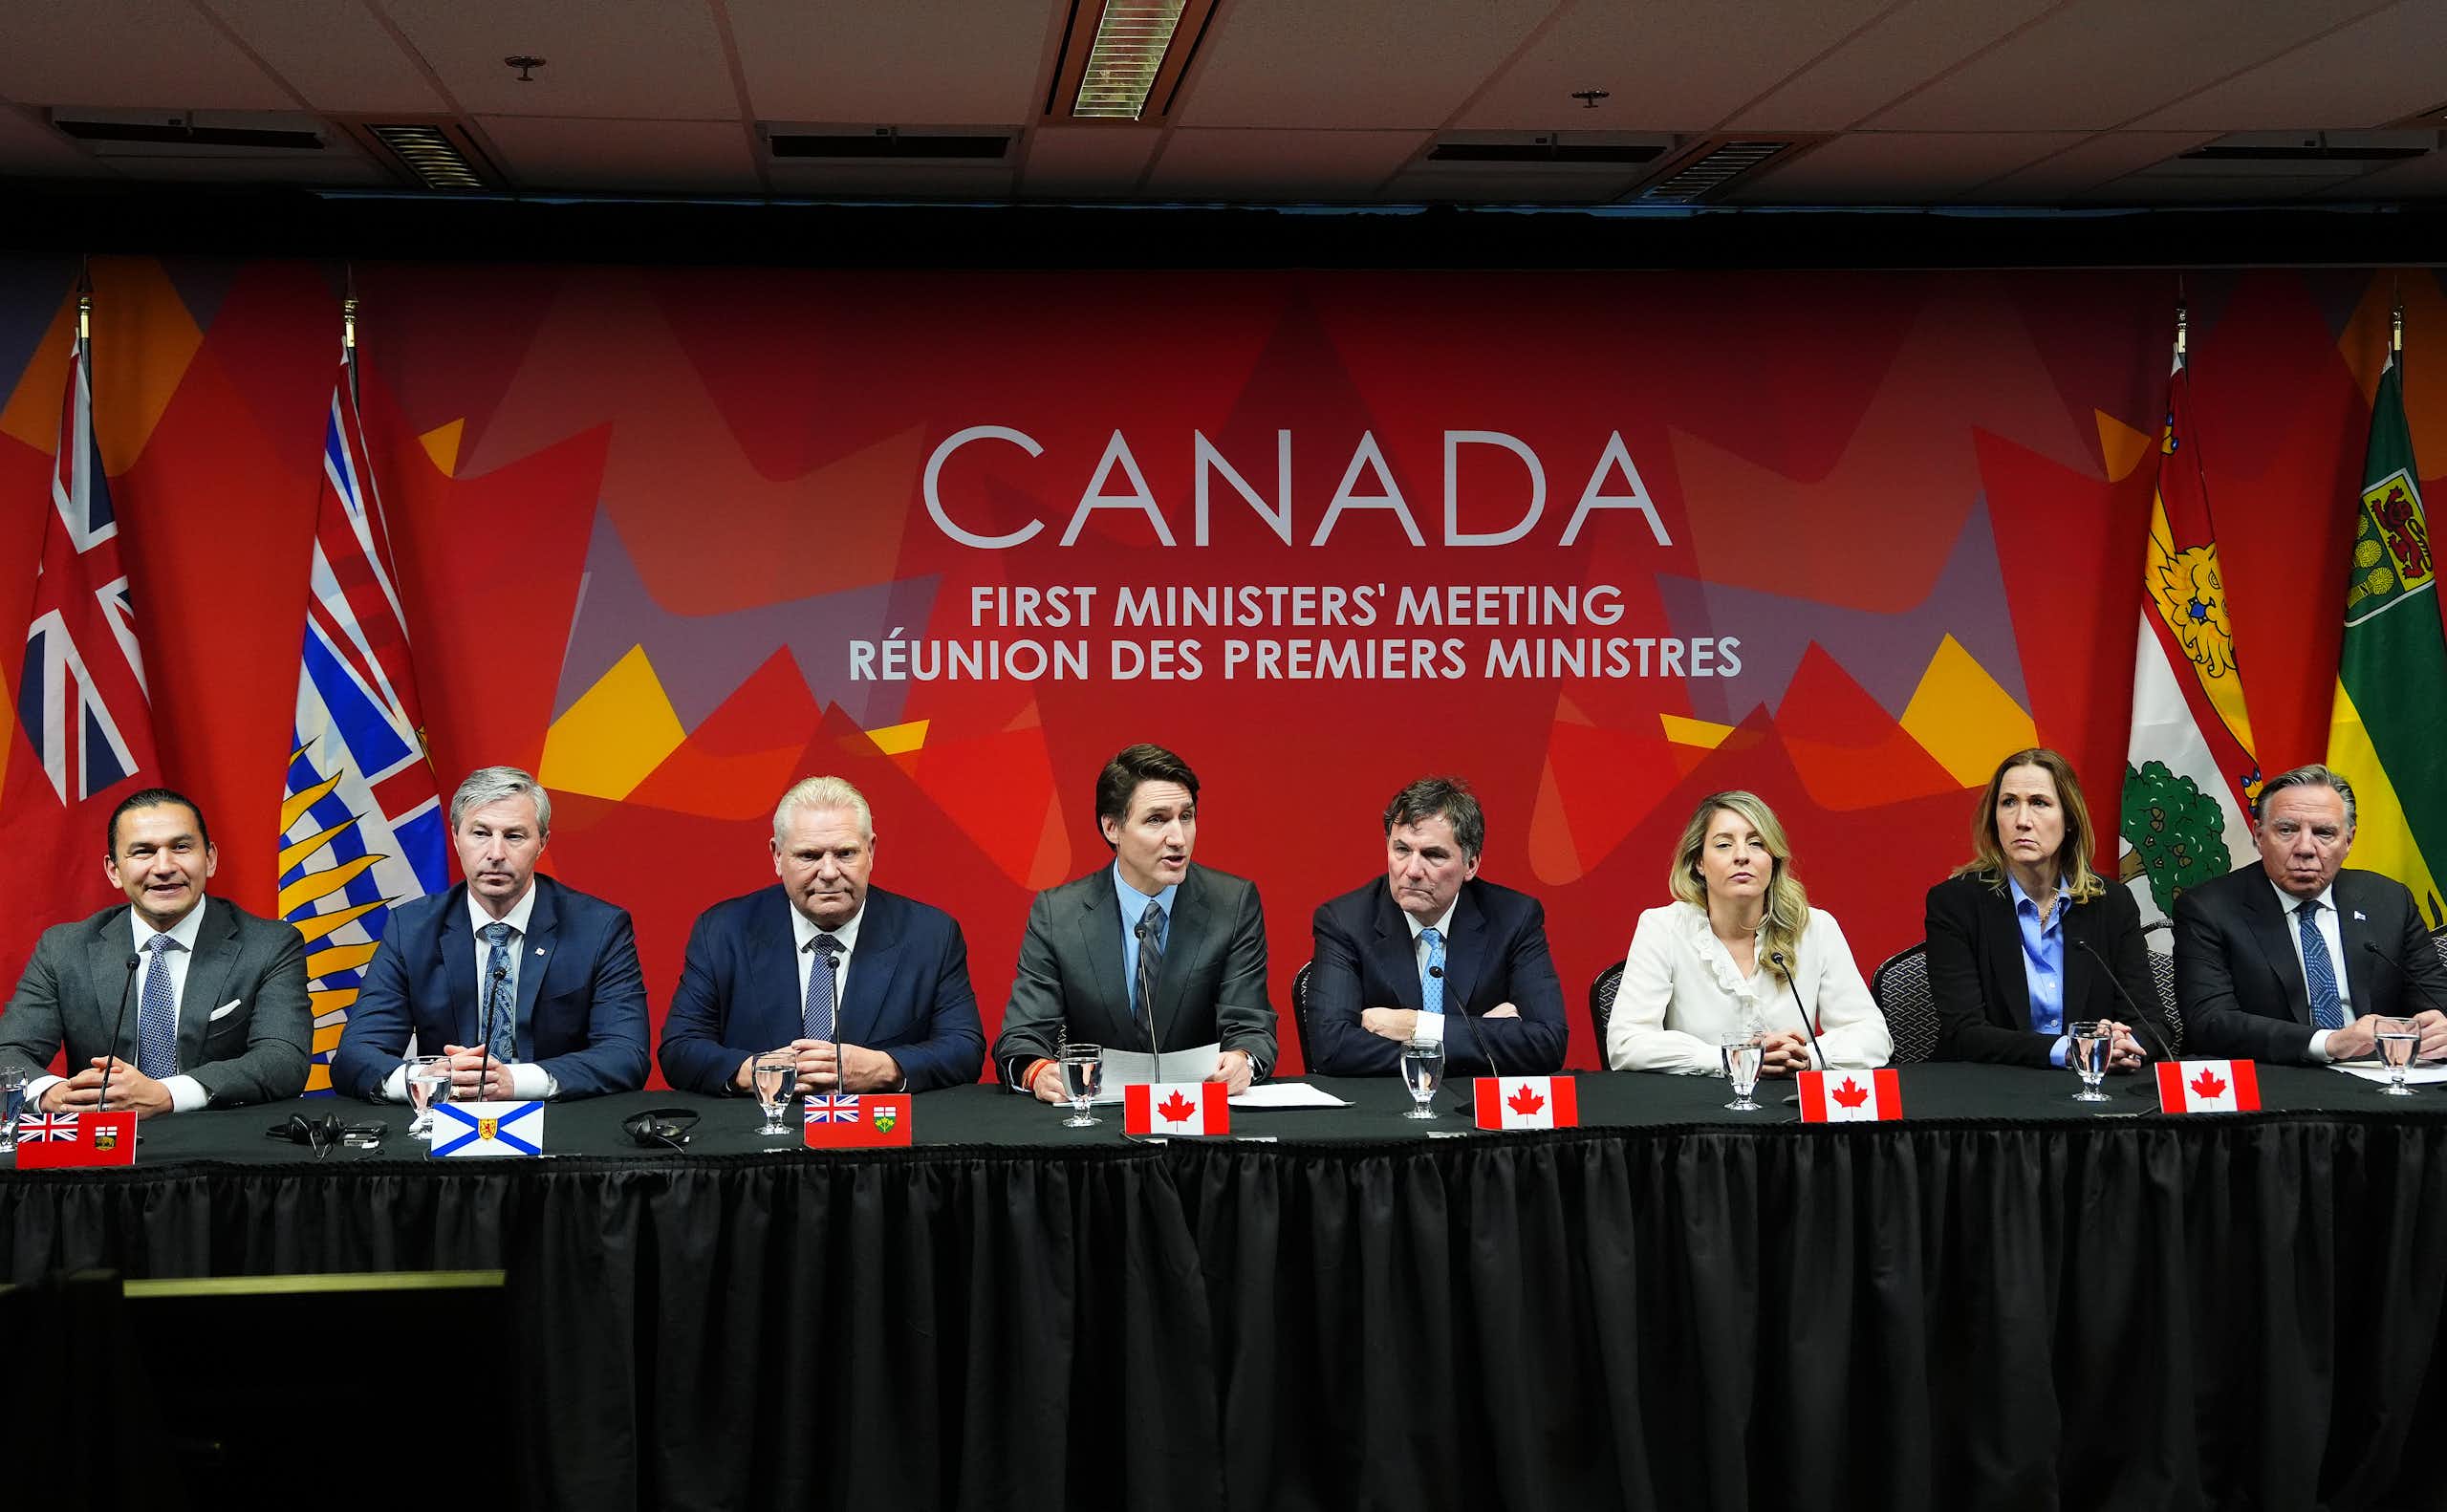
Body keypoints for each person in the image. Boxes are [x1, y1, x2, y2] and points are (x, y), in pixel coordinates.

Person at [331, 766, 649, 1100]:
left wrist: (515, 1081)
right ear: (455, 838)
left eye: (514, 836)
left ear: (542, 843)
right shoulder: (410, 929)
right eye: (480, 833)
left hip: (558, 1127)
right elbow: (354, 1057)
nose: (496, 854)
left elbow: (627, 1054)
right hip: (446, 1124)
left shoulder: (598, 928)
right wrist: (426, 1077)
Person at [658, 776, 985, 1095]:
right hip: (756, 1136)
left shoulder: (930, 934)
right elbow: (680, 1048)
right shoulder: (722, 931)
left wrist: (884, 1069)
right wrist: (756, 1071)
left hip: (879, 1141)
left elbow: (964, 1048)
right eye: (809, 856)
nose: (829, 873)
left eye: (845, 854)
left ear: (871, 851)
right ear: (777, 856)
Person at [0, 788, 309, 1115]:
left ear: (210, 859)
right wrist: (52, 1095)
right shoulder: (64, 948)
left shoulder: (270, 944)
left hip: (219, 1146)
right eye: (143, 852)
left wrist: (165, 1094)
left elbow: (284, 1059)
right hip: (101, 1149)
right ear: (114, 871)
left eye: (181, 847)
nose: (164, 867)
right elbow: (9, 1052)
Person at [993, 742, 1275, 1101]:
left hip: (1198, 1117)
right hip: (1097, 1121)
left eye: (1186, 817)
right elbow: (1022, 1035)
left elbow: (1251, 1026)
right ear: (1112, 828)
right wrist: (1039, 1072)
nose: (1178, 838)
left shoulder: (1232, 903)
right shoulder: (1058, 913)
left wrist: (1242, 1062)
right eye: (1156, 819)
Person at [2176, 763, 2447, 1065]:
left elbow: (2436, 999)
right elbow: (2209, 1023)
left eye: (2324, 832)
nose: (2305, 848)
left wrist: (2440, 1027)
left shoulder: (2389, 900)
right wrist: (2330, 1043)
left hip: (2381, 1077)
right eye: (2287, 830)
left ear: (2349, 840)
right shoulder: (2208, 907)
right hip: (2274, 1079)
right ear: (2259, 835)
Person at [1609, 790, 1891, 1073]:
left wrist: (1806, 1057)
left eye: (1756, 844)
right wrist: (1729, 1059)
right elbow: (1626, 1044)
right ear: (1699, 863)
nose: (1742, 856)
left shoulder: (1815, 929)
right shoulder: (1663, 928)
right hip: (1698, 1108)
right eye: (1723, 845)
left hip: (1791, 1105)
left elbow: (1873, 1037)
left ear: (1773, 861)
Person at [1304, 775, 1567, 1075]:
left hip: (1480, 1108)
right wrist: (1485, 1033)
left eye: (1433, 855)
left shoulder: (1513, 917)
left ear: (1471, 865)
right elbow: (1332, 1048)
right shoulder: (1345, 921)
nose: (1412, 871)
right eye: (1402, 850)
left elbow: (1547, 1042)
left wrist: (1416, 1025)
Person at [1925, 748, 2158, 1069]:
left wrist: (2122, 1045)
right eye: (2008, 803)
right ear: (1994, 820)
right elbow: (1965, 1033)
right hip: (1989, 1091)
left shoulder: (2111, 904)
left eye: (2039, 803)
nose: (2022, 821)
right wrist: (2072, 1050)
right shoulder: (1955, 904)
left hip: (2091, 1093)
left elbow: (2153, 1023)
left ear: (2069, 821)